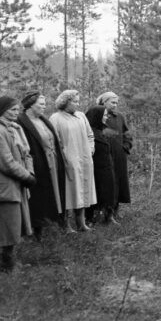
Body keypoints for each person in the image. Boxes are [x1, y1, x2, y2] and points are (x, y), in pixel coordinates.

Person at [0, 96, 36, 271]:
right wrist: (26, 176)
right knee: (6, 224)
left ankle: (10, 261)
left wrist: (30, 172)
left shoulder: (16, 129)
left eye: (17, 109)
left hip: (17, 182)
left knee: (15, 223)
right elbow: (6, 162)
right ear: (2, 111)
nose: (16, 112)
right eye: (12, 109)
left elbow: (27, 153)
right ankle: (4, 263)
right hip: (4, 185)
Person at [17, 90, 67, 238]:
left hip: (52, 162)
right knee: (39, 196)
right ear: (31, 105)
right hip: (38, 163)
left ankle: (55, 222)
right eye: (41, 104)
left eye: (45, 104)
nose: (44, 107)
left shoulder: (44, 119)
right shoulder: (21, 121)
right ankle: (36, 229)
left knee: (55, 192)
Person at [49, 90, 96, 232]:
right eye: (74, 101)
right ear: (66, 102)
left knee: (83, 190)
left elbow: (90, 134)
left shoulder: (81, 116)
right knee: (69, 192)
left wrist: (91, 148)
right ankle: (66, 225)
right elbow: (53, 141)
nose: (77, 104)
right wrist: (63, 157)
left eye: (77, 101)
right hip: (68, 160)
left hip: (85, 158)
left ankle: (81, 223)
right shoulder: (55, 118)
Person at [97, 92, 132, 219]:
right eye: (112, 102)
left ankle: (115, 210)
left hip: (119, 156)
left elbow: (127, 134)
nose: (115, 105)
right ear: (104, 102)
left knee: (119, 182)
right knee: (106, 184)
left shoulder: (120, 117)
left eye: (116, 102)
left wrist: (126, 146)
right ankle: (103, 211)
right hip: (103, 157)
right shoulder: (97, 116)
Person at [85, 105, 119, 224]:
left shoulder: (103, 130)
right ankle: (90, 218)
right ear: (97, 116)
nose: (106, 117)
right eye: (104, 115)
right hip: (95, 168)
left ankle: (108, 216)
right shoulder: (88, 131)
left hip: (107, 167)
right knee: (95, 193)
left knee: (109, 191)